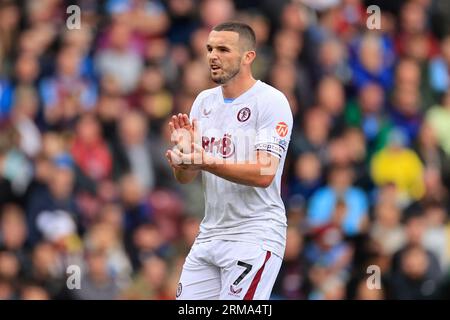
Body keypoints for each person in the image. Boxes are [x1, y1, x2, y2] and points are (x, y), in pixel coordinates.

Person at [165, 22, 293, 300]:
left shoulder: (271, 101)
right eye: (210, 49)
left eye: (223, 49)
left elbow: (265, 172)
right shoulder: (203, 102)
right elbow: (186, 176)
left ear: (248, 57)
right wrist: (184, 159)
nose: (213, 56)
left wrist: (204, 160)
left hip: (254, 235)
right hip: (210, 233)